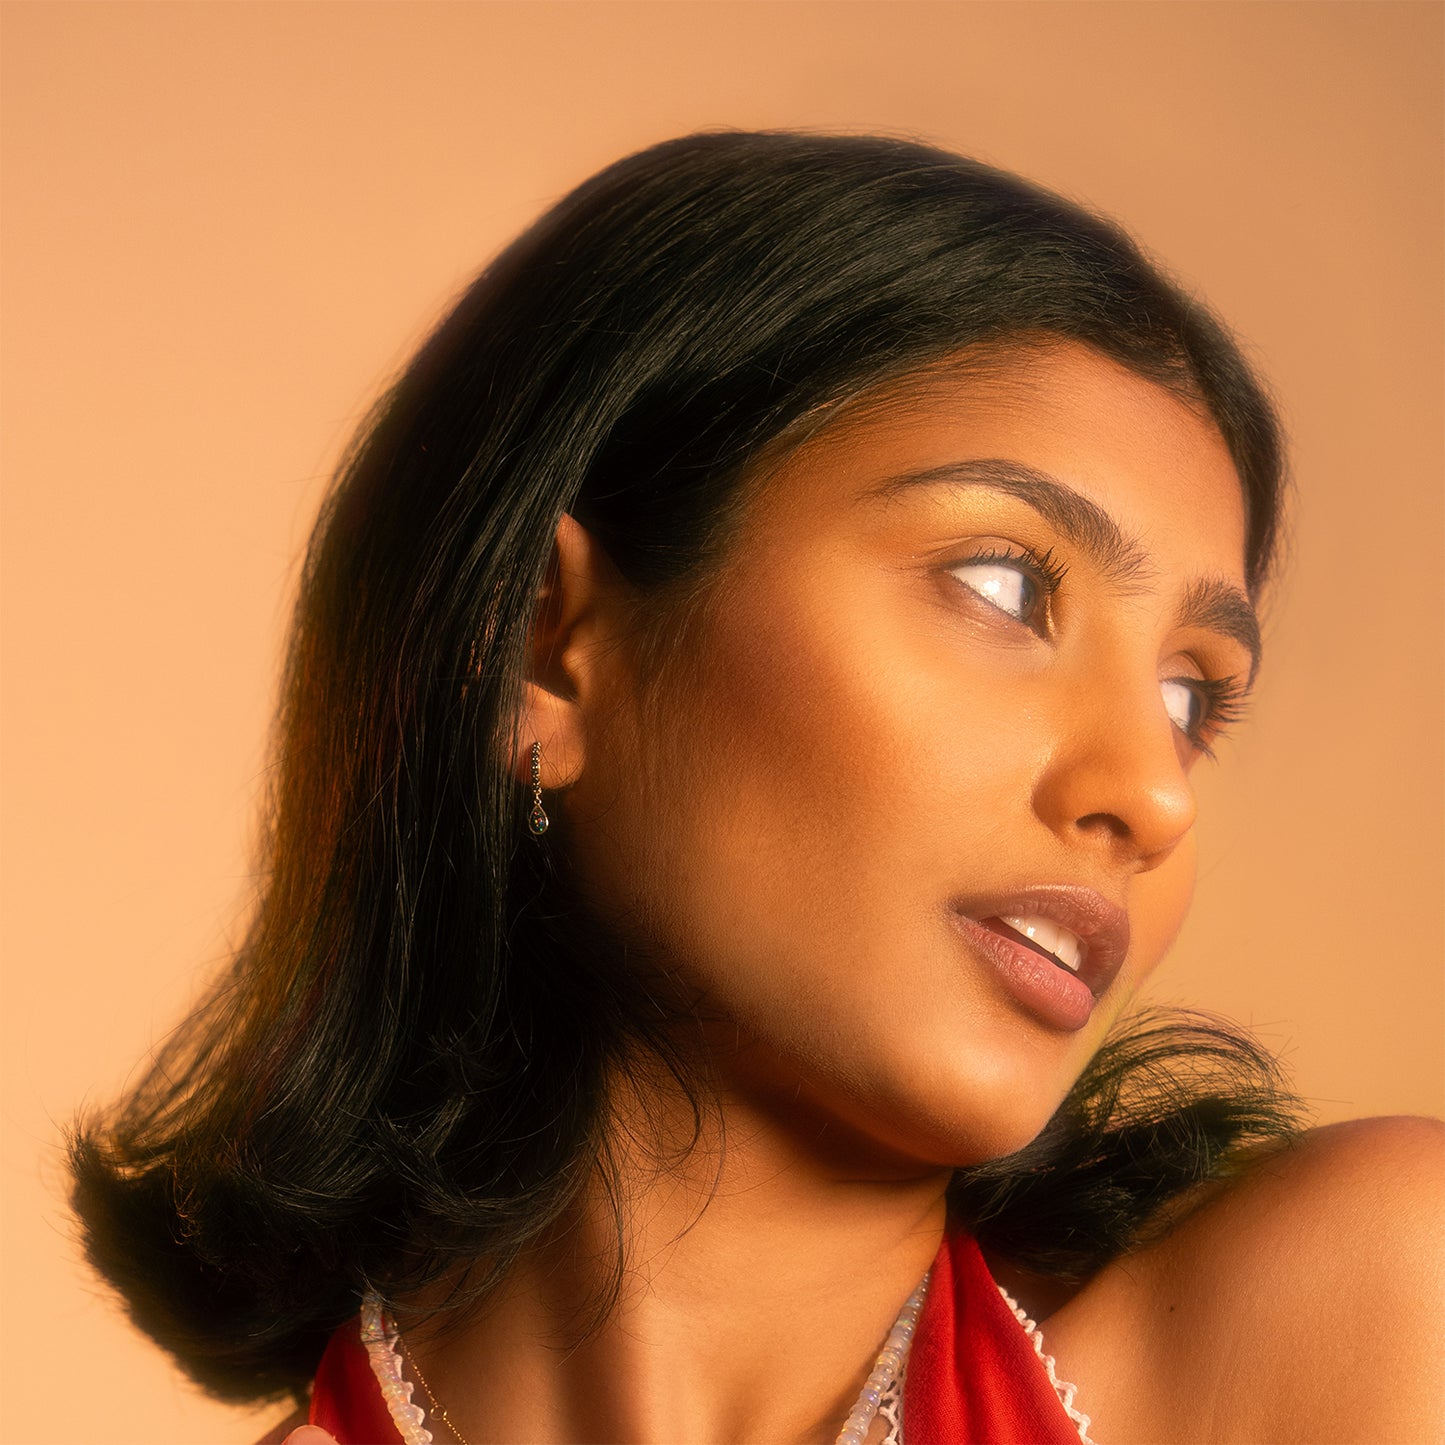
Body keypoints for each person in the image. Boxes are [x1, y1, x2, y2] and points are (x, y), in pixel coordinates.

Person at [68, 132, 1441, 1445]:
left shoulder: (1371, 1311)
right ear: (543, 650)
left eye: (1188, 696)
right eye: (1004, 586)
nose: (1151, 792)